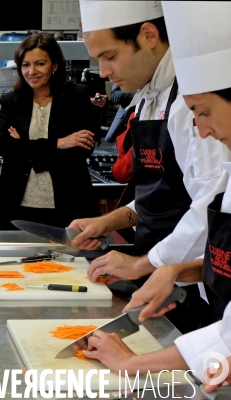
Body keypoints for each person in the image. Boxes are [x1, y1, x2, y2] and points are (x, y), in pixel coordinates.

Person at [81, 4, 231, 385]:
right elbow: (166, 190)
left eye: (108, 56)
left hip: (197, 303)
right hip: (174, 285)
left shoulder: (190, 103)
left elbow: (207, 208)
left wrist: (148, 264)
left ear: (149, 36)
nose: (103, 72)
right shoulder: (150, 96)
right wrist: (115, 222)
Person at [0, 33, 99, 228]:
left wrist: (24, 147)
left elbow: (82, 149)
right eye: (25, 65)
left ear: (54, 65)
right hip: (16, 205)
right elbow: (5, 147)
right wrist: (59, 143)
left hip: (68, 204)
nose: (31, 71)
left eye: (40, 63)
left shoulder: (77, 96)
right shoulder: (11, 101)